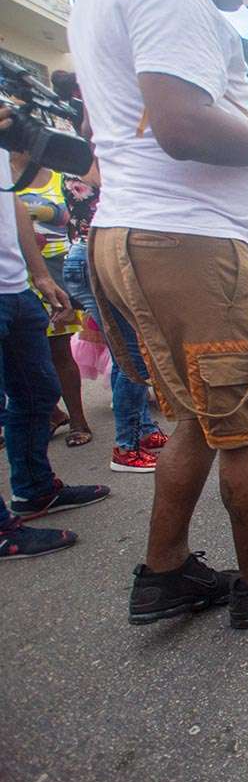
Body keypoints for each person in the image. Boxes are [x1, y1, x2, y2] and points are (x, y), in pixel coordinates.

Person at [71, 0, 248, 627]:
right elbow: (182, 125)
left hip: (153, 235)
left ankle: (166, 572)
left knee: (198, 417)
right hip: (192, 245)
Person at [0, 137, 110, 558]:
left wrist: (40, 276)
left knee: (37, 394)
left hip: (16, 287)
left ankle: (34, 491)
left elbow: (12, 209)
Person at [61, 164, 169, 471]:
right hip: (98, 257)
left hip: (94, 255)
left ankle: (144, 433)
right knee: (132, 356)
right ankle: (126, 447)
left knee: (128, 352)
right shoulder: (90, 158)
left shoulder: (88, 154)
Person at [11, 152, 92, 448]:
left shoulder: (61, 176)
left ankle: (78, 419)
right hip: (17, 274)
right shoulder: (5, 177)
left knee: (59, 351)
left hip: (58, 272)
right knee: (26, 355)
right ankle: (52, 413)